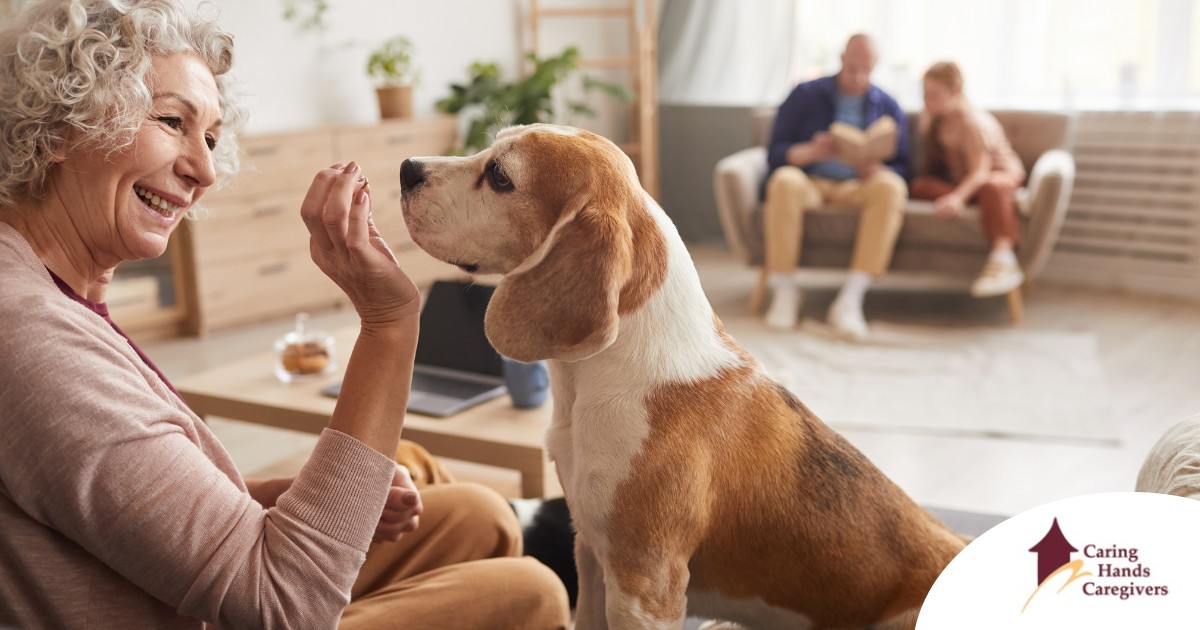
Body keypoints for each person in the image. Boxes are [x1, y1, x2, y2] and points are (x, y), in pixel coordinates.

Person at [0, 1, 569, 628]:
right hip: (266, 604)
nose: (206, 170)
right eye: (171, 121)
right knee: (529, 592)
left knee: (475, 514)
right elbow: (283, 604)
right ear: (59, 125)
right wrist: (389, 321)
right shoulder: (33, 341)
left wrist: (257, 499)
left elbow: (108, 505)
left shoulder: (46, 290)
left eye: (212, 138)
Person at [761, 33, 910, 340]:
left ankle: (851, 298)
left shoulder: (888, 105)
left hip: (857, 186)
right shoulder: (805, 93)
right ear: (842, 59)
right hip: (811, 181)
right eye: (853, 67)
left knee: (891, 187)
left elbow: (907, 168)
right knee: (784, 181)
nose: (858, 76)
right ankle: (786, 290)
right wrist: (810, 151)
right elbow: (775, 153)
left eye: (866, 69)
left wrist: (879, 168)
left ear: (875, 67)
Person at [911, 61, 1027, 298]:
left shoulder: (973, 123)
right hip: (966, 183)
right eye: (925, 95)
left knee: (990, 187)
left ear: (955, 92)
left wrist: (956, 198)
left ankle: (1003, 257)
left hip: (994, 177)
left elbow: (980, 172)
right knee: (920, 186)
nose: (927, 102)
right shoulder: (936, 120)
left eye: (933, 96)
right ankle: (990, 205)